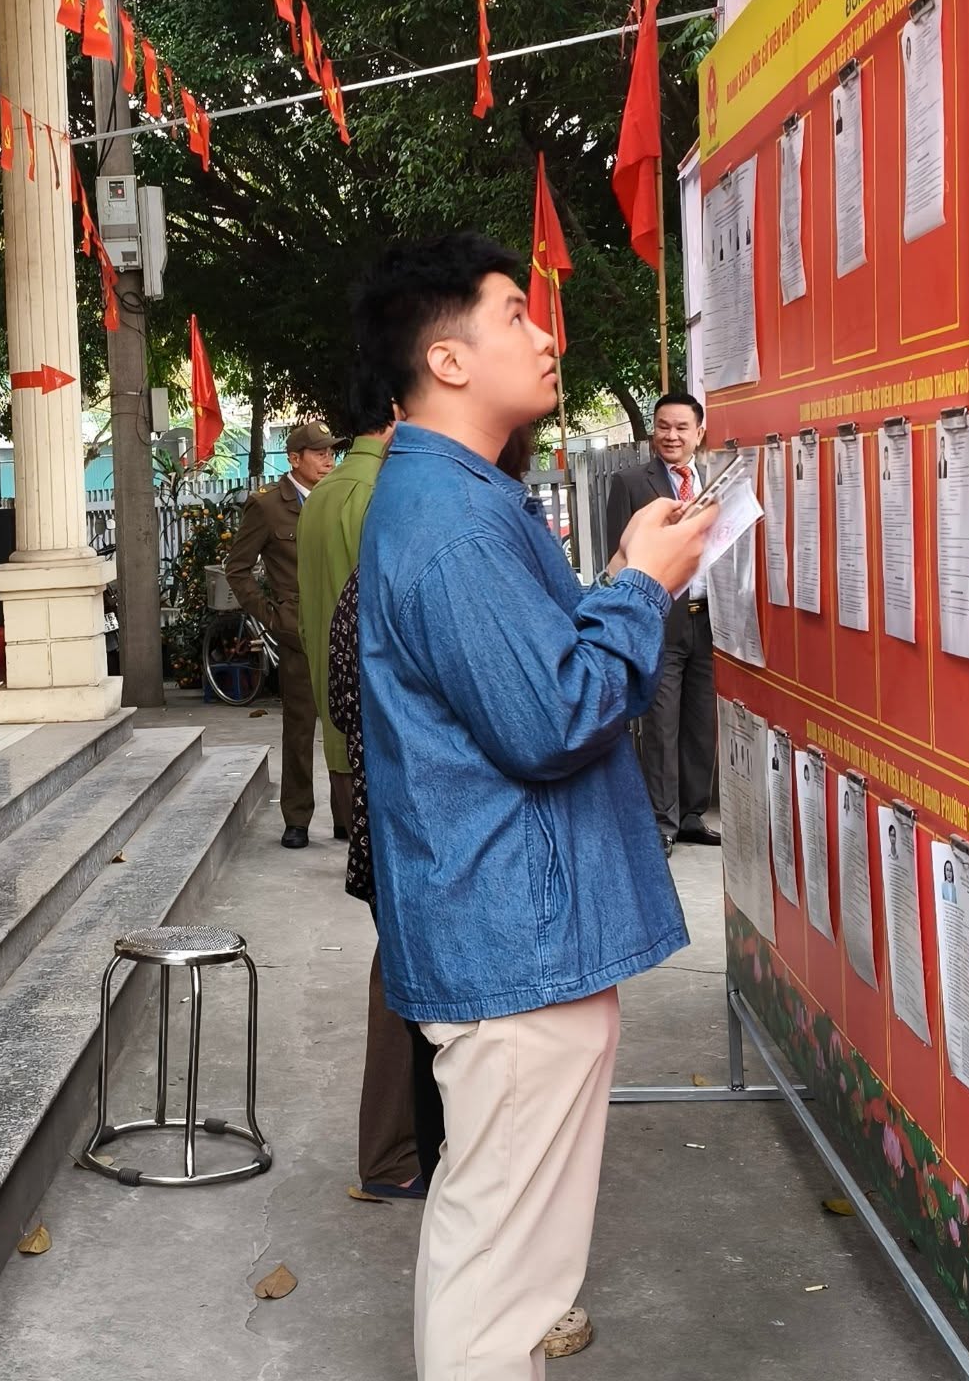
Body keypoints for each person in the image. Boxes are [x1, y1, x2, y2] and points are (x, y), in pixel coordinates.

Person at [352, 232, 712, 1378]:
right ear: (448, 359)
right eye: (516, 313)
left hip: (514, 918)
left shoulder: (459, 495)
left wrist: (616, 589)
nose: (545, 333)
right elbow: (551, 718)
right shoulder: (452, 520)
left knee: (510, 1233)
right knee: (495, 1252)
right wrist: (639, 590)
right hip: (508, 927)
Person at [295, 390, 421, 1205]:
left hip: (356, 746)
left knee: (401, 956)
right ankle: (394, 1155)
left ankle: (396, 1153)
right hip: (394, 760)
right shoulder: (387, 498)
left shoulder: (329, 495)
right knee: (407, 965)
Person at [605, 391, 722, 857]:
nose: (671, 435)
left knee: (700, 722)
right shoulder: (632, 482)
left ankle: (693, 814)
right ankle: (661, 820)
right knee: (661, 722)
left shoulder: (713, 481)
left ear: (699, 433)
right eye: (663, 426)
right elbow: (620, 554)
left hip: (708, 618)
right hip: (659, 619)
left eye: (681, 428)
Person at [226, 420, 337, 848]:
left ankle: (346, 818)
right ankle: (297, 818)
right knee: (299, 727)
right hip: (297, 633)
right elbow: (238, 569)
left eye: (331, 452)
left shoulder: (337, 496)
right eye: (319, 452)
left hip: (341, 626)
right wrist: (271, 617)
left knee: (346, 726)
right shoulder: (268, 506)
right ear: (294, 459)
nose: (328, 459)